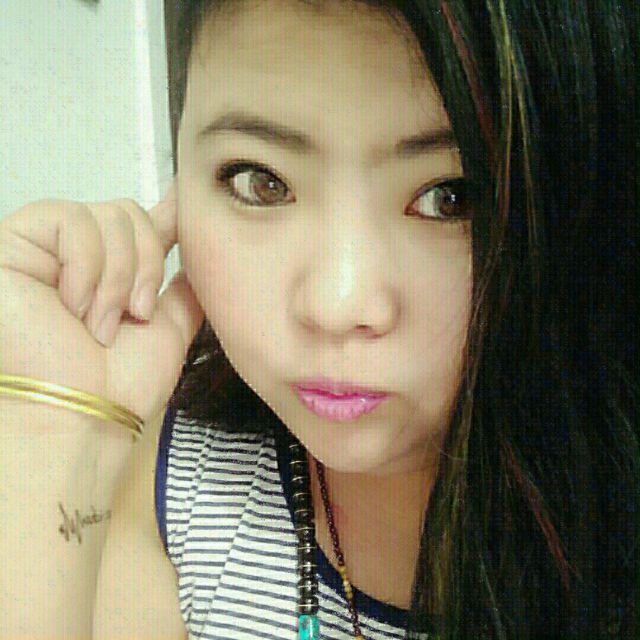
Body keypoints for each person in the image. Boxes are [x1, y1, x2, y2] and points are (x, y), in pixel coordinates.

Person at [0, 0, 638, 638]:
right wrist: (50, 433)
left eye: (452, 198)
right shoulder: (180, 483)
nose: (337, 305)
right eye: (260, 181)